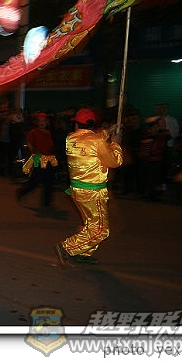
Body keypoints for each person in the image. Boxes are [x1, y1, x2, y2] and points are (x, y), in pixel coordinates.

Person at [55, 108, 123, 266]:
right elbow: (115, 162)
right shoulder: (97, 141)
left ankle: (83, 253)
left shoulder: (71, 138)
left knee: (90, 225)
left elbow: (91, 140)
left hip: (77, 191)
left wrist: (107, 132)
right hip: (92, 192)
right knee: (101, 230)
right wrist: (116, 143)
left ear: (77, 125)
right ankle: (67, 248)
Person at [16, 113, 58, 214]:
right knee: (36, 179)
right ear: (37, 122)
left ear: (47, 122)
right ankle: (22, 191)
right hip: (38, 158)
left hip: (48, 158)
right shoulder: (34, 132)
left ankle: (47, 203)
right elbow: (29, 143)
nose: (42, 123)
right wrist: (33, 150)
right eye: (40, 121)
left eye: (44, 121)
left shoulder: (48, 133)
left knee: (49, 180)